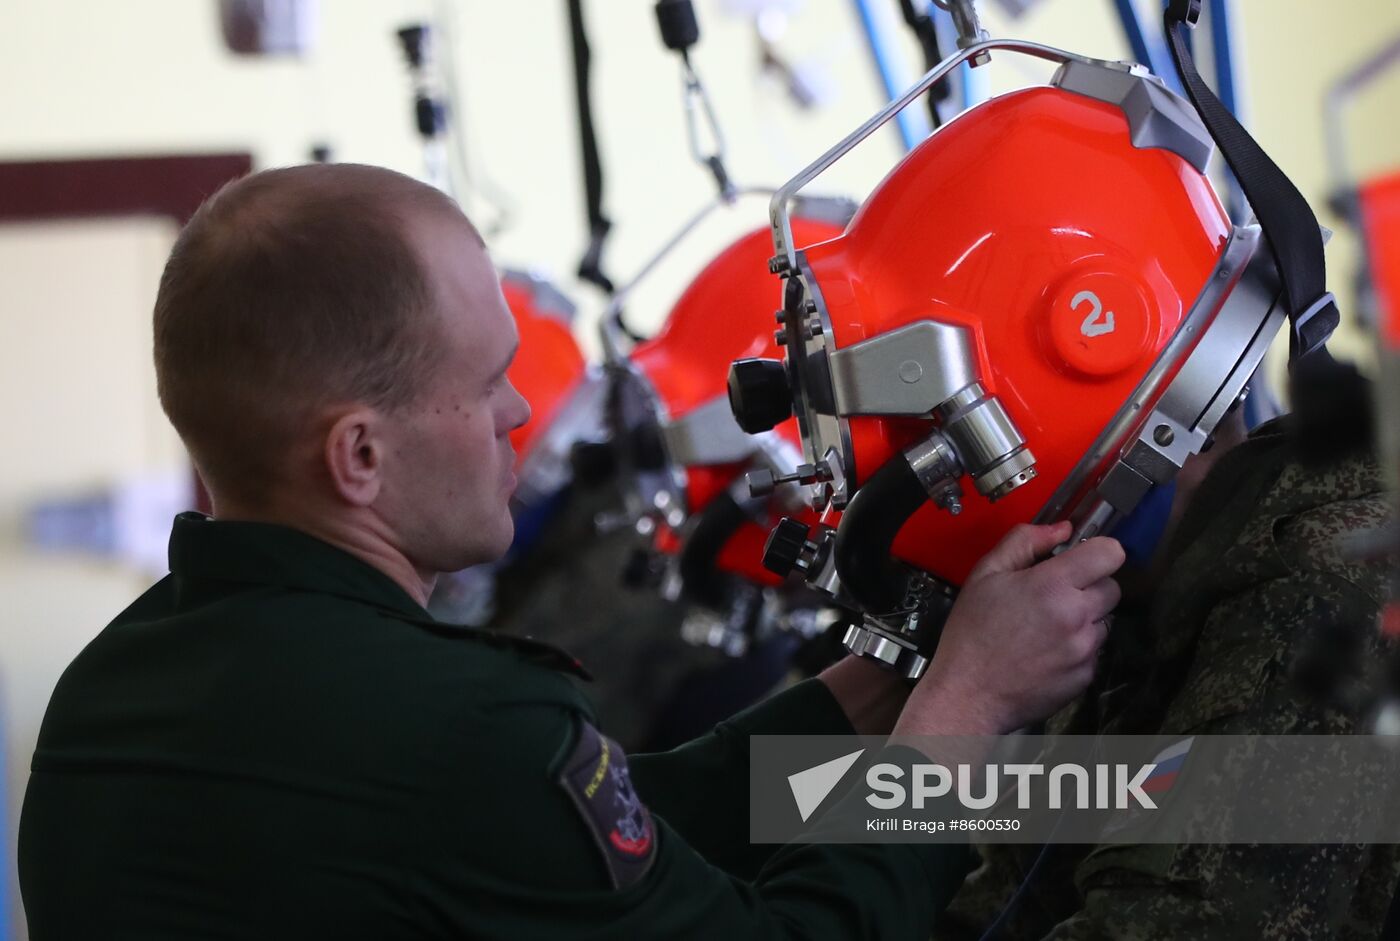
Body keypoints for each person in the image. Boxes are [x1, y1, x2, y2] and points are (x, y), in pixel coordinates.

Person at [17, 163, 1125, 939]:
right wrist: (963, 714)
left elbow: (600, 821)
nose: (514, 412)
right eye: (480, 382)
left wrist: (862, 695)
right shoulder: (451, 723)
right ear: (358, 454)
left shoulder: (108, 691)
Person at [932, 402, 1400, 939]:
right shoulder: (1136, 594)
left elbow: (1184, 923)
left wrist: (963, 702)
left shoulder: (1323, 588)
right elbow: (1011, 902)